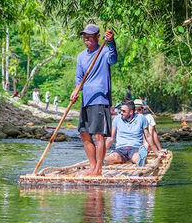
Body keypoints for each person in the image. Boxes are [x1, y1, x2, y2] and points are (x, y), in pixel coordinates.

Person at [70, 23, 117, 176]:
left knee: (98, 134)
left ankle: (98, 169)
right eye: (85, 37)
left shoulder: (104, 52)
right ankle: (92, 166)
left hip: (100, 99)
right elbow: (79, 80)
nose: (86, 40)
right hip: (87, 100)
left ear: (98, 37)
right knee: (84, 133)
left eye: (90, 37)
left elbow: (113, 59)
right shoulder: (81, 56)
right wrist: (75, 92)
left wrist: (111, 42)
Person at [104, 101, 165, 166]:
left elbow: (148, 137)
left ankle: (141, 159)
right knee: (114, 157)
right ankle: (102, 161)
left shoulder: (141, 118)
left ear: (131, 112)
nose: (121, 113)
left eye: (124, 111)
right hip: (121, 148)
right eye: (120, 111)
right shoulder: (117, 119)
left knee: (136, 157)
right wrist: (101, 153)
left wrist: (157, 152)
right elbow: (111, 138)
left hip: (135, 148)